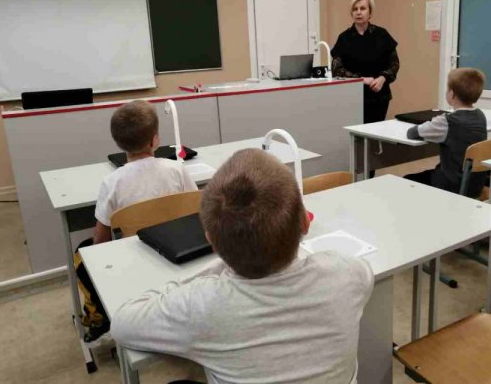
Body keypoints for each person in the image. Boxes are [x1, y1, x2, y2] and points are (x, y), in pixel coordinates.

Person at [111, 149, 374, 384]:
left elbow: (122, 325)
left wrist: (220, 264)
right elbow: (363, 274)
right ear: (305, 222)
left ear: (212, 241)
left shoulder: (201, 304)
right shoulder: (347, 273)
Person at [76, 100, 197, 342]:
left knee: (82, 252)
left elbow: (100, 241)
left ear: (118, 143)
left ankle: (99, 315)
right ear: (155, 140)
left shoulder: (111, 183)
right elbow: (195, 210)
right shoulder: (177, 170)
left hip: (133, 263)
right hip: (178, 253)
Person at [404, 68, 487, 197]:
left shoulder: (447, 121)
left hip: (451, 185)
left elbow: (412, 133)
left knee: (407, 180)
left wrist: (434, 121)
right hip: (475, 185)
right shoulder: (480, 116)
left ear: (452, 94)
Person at [331, 0, 400, 124]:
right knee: (355, 133)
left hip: (379, 96)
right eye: (355, 9)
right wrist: (361, 79)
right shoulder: (344, 38)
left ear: (370, 12)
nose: (358, 12)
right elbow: (337, 70)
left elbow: (394, 64)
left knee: (376, 131)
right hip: (352, 97)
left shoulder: (382, 34)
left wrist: (383, 78)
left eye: (362, 8)